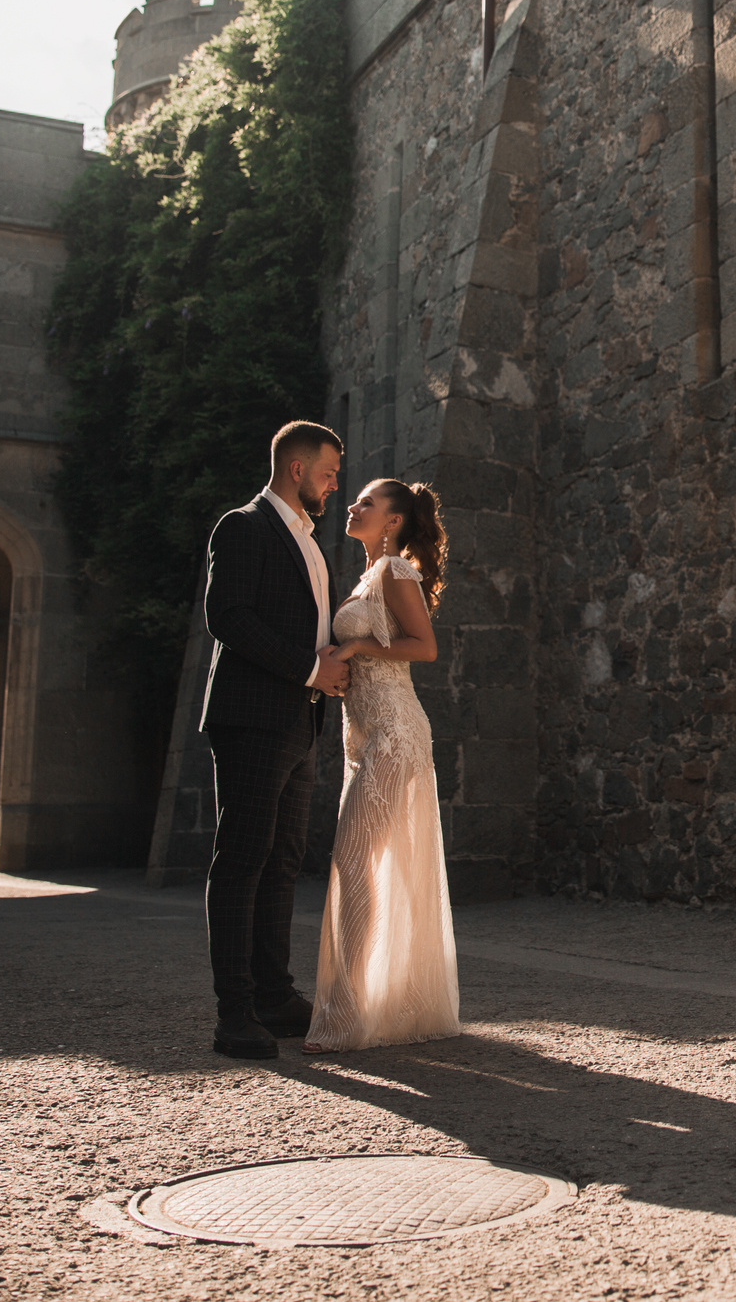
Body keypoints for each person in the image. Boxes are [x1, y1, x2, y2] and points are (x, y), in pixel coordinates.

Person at [197, 420, 350, 1061]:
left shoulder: (309, 542)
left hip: (299, 721)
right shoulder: (243, 526)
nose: (334, 484)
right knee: (242, 861)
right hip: (252, 719)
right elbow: (227, 618)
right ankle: (234, 1015)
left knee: (283, 863)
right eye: (329, 472)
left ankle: (274, 995)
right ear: (296, 469)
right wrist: (312, 670)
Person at [304, 477, 461, 1052]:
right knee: (363, 864)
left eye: (366, 503)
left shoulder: (395, 571)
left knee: (353, 861)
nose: (352, 505)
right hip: (366, 735)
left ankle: (345, 1018)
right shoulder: (369, 575)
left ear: (393, 522)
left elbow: (425, 647)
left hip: (395, 734)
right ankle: (379, 1004)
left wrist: (355, 646)